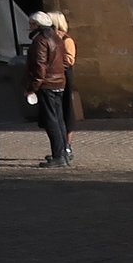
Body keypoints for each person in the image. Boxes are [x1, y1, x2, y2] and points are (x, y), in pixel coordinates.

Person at [26, 10, 72, 166]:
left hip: (48, 84)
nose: (29, 28)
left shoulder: (41, 40)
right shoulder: (56, 37)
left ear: (37, 25)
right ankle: (63, 153)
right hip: (59, 82)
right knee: (58, 119)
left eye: (31, 25)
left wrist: (33, 86)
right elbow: (64, 61)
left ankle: (58, 155)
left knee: (51, 120)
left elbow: (40, 66)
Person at [52, 11, 81, 156]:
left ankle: (67, 145)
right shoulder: (51, 39)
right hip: (55, 76)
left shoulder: (66, 39)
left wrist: (55, 63)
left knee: (67, 108)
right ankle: (60, 144)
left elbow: (70, 60)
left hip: (64, 75)